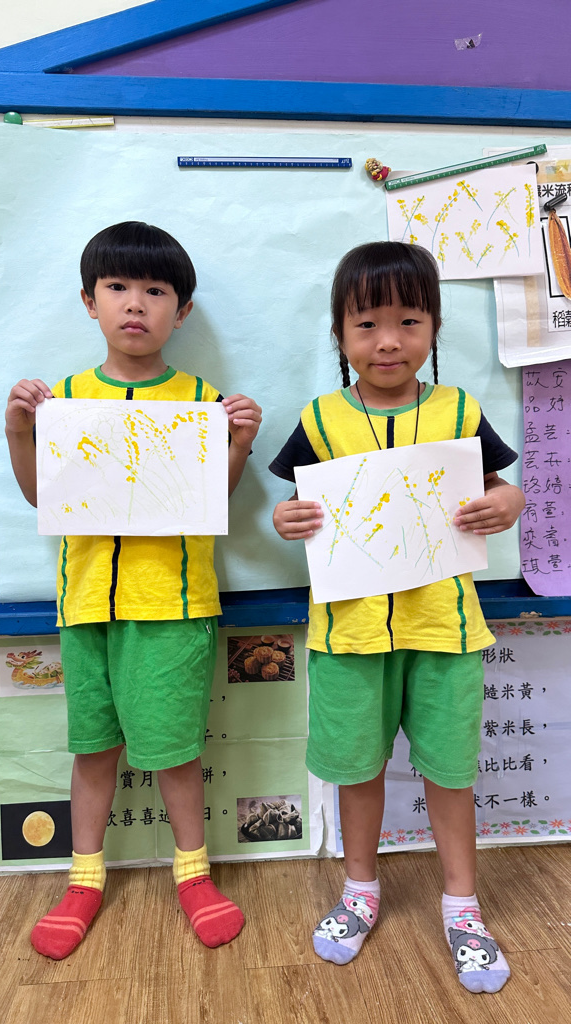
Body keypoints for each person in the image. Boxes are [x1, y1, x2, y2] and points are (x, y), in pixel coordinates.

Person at [270, 241, 524, 994]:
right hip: (349, 635)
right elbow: (294, 506)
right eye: (366, 324)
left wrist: (507, 501)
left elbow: (500, 488)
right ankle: (360, 891)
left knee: (450, 772)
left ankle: (462, 906)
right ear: (339, 334)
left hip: (445, 629)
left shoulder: (459, 410)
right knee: (357, 769)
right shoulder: (320, 419)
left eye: (409, 321)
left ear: (434, 327)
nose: (388, 341)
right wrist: (286, 518)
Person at [5, 221, 262, 960]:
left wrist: (238, 442)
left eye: (156, 290)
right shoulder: (64, 399)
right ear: (90, 302)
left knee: (174, 752)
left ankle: (193, 873)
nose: (136, 303)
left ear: (182, 311)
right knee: (93, 748)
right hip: (86, 604)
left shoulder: (200, 399)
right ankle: (83, 879)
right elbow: (39, 496)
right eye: (117, 287)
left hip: (172, 606)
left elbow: (209, 503)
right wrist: (19, 430)